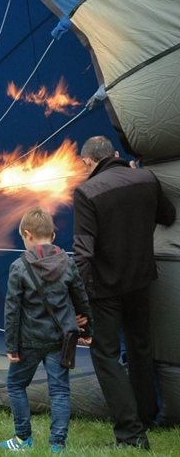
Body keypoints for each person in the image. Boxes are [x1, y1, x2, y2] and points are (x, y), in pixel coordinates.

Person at [73, 136, 176, 449]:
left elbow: (82, 253)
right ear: (115, 155)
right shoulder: (145, 178)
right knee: (140, 348)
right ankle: (145, 416)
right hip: (141, 281)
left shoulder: (86, 191)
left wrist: (81, 301)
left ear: (89, 163)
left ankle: (131, 435)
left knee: (105, 356)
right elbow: (168, 216)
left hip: (105, 289)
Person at [0, 207, 93, 452]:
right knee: (60, 391)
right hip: (60, 340)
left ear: (27, 234)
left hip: (28, 342)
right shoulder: (68, 263)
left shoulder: (18, 267)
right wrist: (88, 329)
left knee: (16, 385)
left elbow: (12, 310)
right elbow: (81, 299)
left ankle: (22, 439)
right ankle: (57, 445)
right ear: (52, 236)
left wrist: (11, 345)